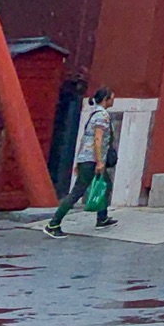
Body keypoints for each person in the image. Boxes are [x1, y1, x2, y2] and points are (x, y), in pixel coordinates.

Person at [43, 87, 117, 235]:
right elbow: (98, 138)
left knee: (106, 184)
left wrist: (78, 161)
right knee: (77, 192)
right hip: (92, 159)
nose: (113, 100)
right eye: (112, 98)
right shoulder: (102, 116)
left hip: (86, 158)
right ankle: (53, 224)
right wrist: (99, 161)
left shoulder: (93, 114)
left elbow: (84, 139)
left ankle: (102, 217)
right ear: (105, 99)